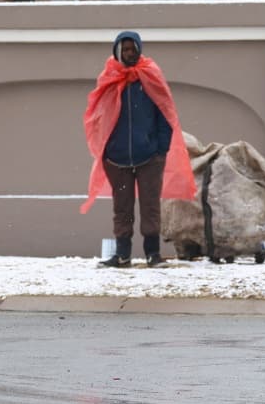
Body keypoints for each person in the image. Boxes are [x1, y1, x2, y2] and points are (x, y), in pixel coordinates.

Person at [82, 30, 195, 267]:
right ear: (117, 52)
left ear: (139, 50)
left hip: (149, 158)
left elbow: (165, 112)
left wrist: (160, 149)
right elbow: (98, 115)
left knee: (150, 205)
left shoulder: (150, 76)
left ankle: (152, 254)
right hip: (117, 158)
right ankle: (122, 254)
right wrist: (108, 149)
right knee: (121, 208)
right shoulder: (109, 78)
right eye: (125, 50)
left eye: (133, 49)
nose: (129, 53)